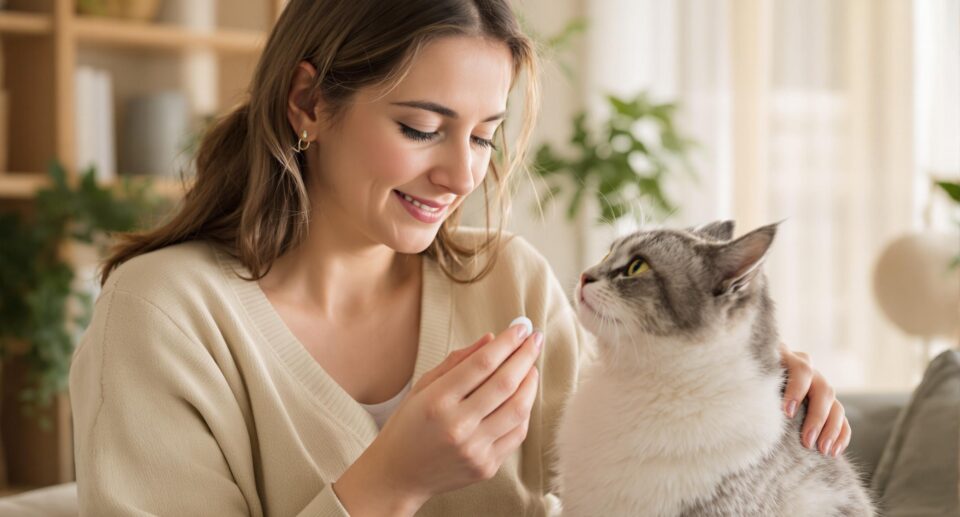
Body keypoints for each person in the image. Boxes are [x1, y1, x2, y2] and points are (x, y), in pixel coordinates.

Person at [68, 1, 852, 515]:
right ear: (308, 103)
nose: (462, 175)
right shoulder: (164, 314)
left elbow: (638, 467)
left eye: (483, 136)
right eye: (420, 127)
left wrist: (742, 378)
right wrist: (391, 481)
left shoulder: (508, 279)